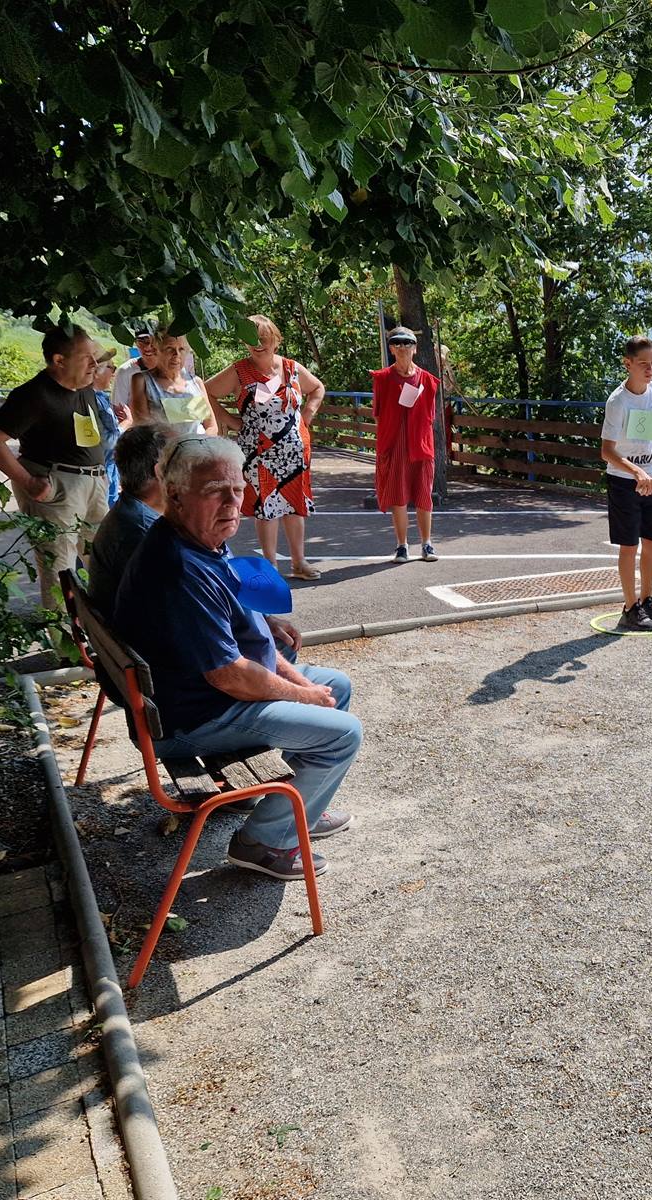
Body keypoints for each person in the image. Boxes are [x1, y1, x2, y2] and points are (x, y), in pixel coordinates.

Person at [113, 437, 359, 882]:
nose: (233, 503)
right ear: (175, 494)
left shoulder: (199, 539)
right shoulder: (179, 567)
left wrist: (301, 687)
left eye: (239, 489)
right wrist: (300, 693)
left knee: (335, 684)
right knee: (342, 734)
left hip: (196, 697)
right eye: (214, 490)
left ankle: (297, 806)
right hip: (191, 720)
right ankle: (263, 842)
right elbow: (230, 675)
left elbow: (251, 637)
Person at [0, 326, 110, 611]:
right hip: (58, 487)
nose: (95, 365)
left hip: (95, 484)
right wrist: (27, 481)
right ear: (59, 360)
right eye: (86, 357)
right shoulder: (34, 394)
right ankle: (66, 651)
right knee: (60, 570)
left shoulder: (83, 386)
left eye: (95, 358)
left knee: (104, 559)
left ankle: (104, 638)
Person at [205, 315, 326, 581]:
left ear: (276, 339)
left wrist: (307, 413)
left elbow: (317, 388)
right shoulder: (239, 370)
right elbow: (206, 391)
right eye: (252, 339)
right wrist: (228, 420)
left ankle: (299, 562)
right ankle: (270, 566)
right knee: (266, 508)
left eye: (264, 338)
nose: (258, 344)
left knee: (294, 507)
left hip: (294, 451)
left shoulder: (292, 368)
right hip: (258, 453)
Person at [600, 335, 652, 631]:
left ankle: (646, 601)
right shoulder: (617, 401)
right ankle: (629, 607)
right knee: (629, 545)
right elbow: (607, 451)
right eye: (643, 363)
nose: (650, 368)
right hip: (624, 481)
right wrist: (636, 472)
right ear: (628, 364)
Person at [371, 326, 441, 563]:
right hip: (395, 444)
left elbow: (431, 416)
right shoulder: (381, 379)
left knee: (424, 495)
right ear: (391, 348)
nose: (403, 347)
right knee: (398, 497)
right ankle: (402, 545)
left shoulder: (429, 381)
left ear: (415, 347)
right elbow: (378, 414)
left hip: (420, 444)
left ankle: (427, 544)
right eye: (397, 342)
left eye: (408, 342)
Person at [86, 424, 170, 615]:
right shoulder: (146, 533)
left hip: (114, 633)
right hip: (134, 638)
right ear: (160, 472)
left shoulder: (127, 510)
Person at [130, 327, 217, 438]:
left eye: (181, 349)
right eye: (169, 349)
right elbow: (143, 428)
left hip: (197, 450)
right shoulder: (142, 381)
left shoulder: (196, 383)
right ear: (156, 350)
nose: (176, 355)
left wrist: (198, 444)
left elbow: (212, 427)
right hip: (163, 452)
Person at [91, 349, 129, 505]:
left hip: (108, 472)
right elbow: (107, 442)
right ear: (96, 371)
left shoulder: (100, 397)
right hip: (101, 473)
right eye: (111, 368)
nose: (113, 374)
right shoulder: (93, 399)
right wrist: (126, 423)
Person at [109, 330, 156, 423]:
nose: (148, 346)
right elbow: (119, 411)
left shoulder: (172, 368)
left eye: (153, 341)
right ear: (136, 343)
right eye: (142, 341)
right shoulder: (126, 371)